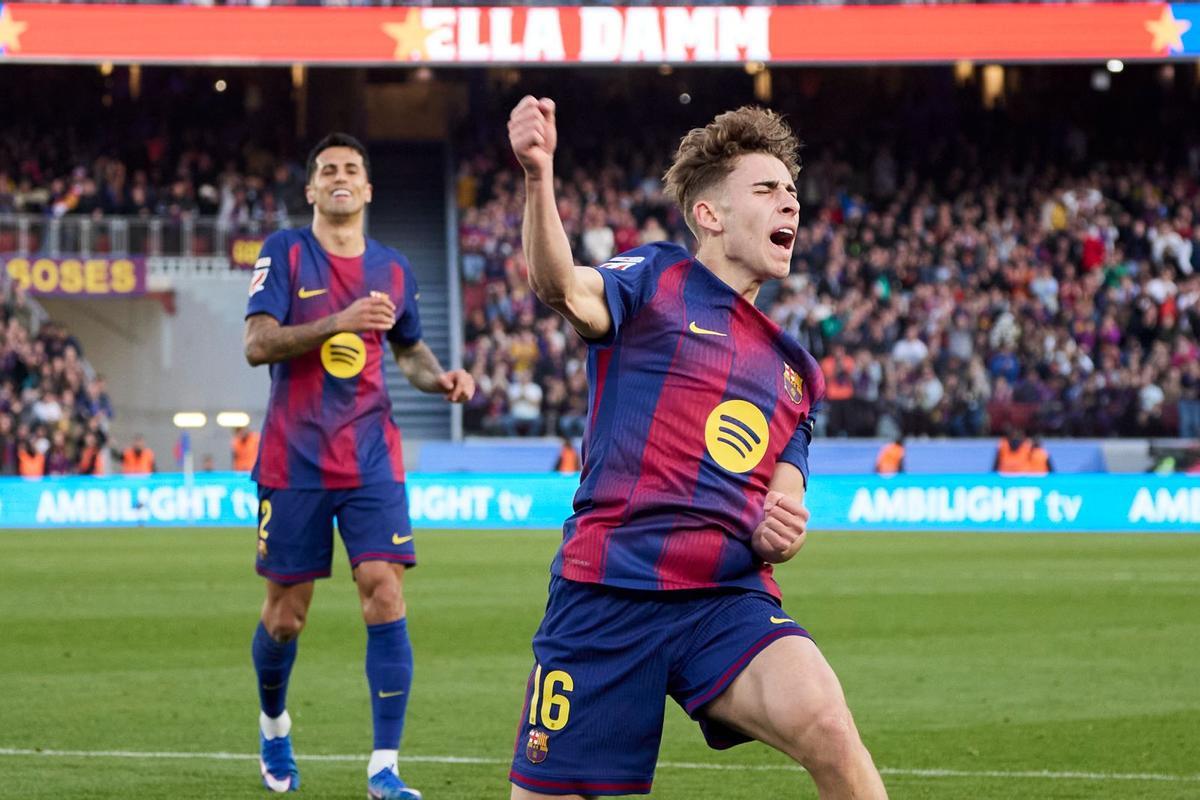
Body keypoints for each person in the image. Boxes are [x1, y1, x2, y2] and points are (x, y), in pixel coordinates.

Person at [506, 97, 887, 799]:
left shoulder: (795, 369)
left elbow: (786, 497)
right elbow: (560, 286)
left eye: (793, 193)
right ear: (709, 215)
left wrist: (785, 529)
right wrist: (538, 177)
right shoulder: (653, 280)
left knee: (829, 725)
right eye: (767, 190)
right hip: (607, 597)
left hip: (723, 599)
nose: (790, 205)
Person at [242, 132, 475, 800]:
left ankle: (384, 767)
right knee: (286, 615)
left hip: (372, 454)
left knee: (384, 587)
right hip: (295, 458)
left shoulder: (395, 269)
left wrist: (441, 380)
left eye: (351, 169)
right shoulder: (286, 252)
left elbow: (408, 352)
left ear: (368, 189)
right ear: (312, 189)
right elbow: (258, 344)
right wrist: (338, 321)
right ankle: (274, 724)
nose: (340, 177)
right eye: (327, 170)